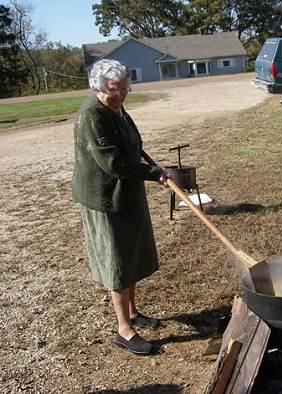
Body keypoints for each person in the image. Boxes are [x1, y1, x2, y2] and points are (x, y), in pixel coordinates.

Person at [72, 59, 170, 355]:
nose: (123, 94)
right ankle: (124, 330)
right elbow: (111, 162)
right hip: (106, 198)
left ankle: (133, 311)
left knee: (132, 254)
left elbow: (133, 144)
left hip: (127, 191)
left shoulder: (117, 107)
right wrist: (152, 174)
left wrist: (155, 167)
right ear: (100, 87)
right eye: (116, 90)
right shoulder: (92, 114)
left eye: (126, 87)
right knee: (118, 262)